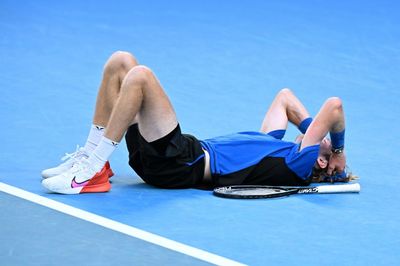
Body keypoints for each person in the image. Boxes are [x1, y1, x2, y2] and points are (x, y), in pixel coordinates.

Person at [42, 51, 354, 194]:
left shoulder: (296, 165)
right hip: (174, 154)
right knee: (120, 62)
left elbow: (334, 107)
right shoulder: (273, 146)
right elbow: (285, 99)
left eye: (332, 162)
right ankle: (93, 159)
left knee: (140, 77)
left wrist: (336, 148)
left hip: (179, 164)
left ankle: (92, 172)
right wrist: (315, 137)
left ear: (321, 162)